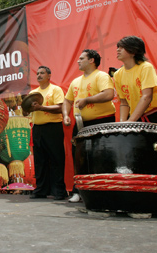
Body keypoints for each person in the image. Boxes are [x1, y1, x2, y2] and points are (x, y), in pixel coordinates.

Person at [62, 49, 116, 203]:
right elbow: (67, 101)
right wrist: (66, 115)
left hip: (102, 122)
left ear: (91, 60)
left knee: (101, 156)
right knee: (79, 157)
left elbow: (108, 94)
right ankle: (79, 190)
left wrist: (87, 100)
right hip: (80, 124)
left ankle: (103, 191)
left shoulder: (101, 76)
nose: (78, 61)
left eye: (81, 58)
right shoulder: (75, 81)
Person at [113, 36, 157, 135]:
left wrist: (130, 121)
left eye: (122, 47)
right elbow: (124, 102)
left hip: (156, 115)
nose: (118, 50)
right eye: (118, 47)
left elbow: (147, 97)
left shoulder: (145, 67)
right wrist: (123, 123)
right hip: (136, 119)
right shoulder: (117, 74)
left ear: (133, 51)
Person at [25, 66, 68, 200]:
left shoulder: (55, 89)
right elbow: (26, 110)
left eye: (42, 73)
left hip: (53, 128)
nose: (39, 75)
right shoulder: (33, 93)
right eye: (37, 73)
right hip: (37, 129)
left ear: (49, 75)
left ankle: (59, 191)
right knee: (40, 161)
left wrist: (41, 107)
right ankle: (41, 190)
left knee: (56, 159)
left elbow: (61, 107)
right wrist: (26, 110)